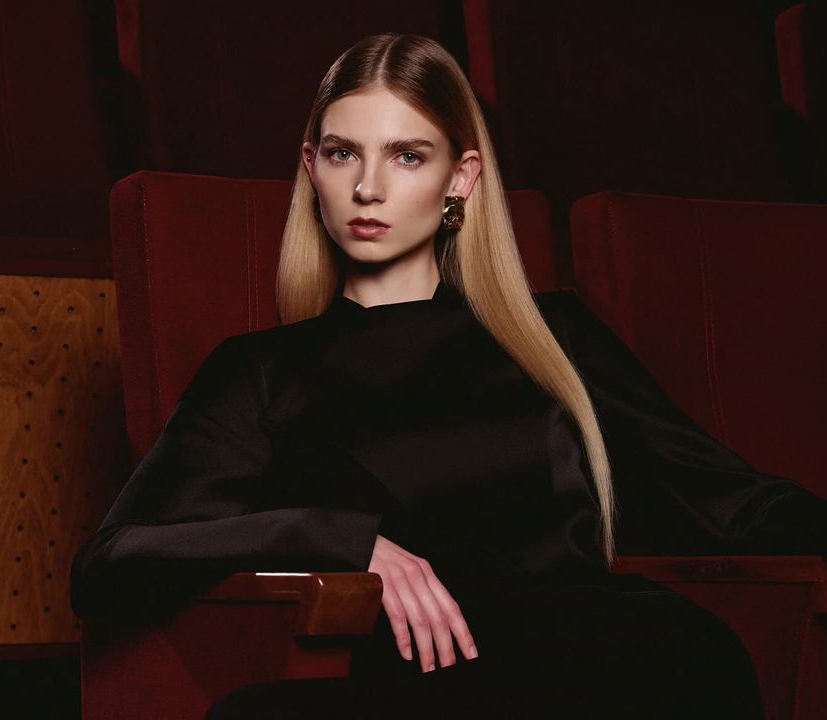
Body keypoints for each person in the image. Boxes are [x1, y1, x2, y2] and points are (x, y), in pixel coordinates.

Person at [70, 34, 827, 718]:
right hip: (437, 680)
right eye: (342, 153)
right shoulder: (260, 372)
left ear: (461, 178)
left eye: (407, 155)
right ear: (311, 167)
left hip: (625, 656)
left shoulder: (552, 335)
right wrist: (334, 537)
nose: (368, 188)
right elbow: (106, 566)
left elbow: (730, 499)